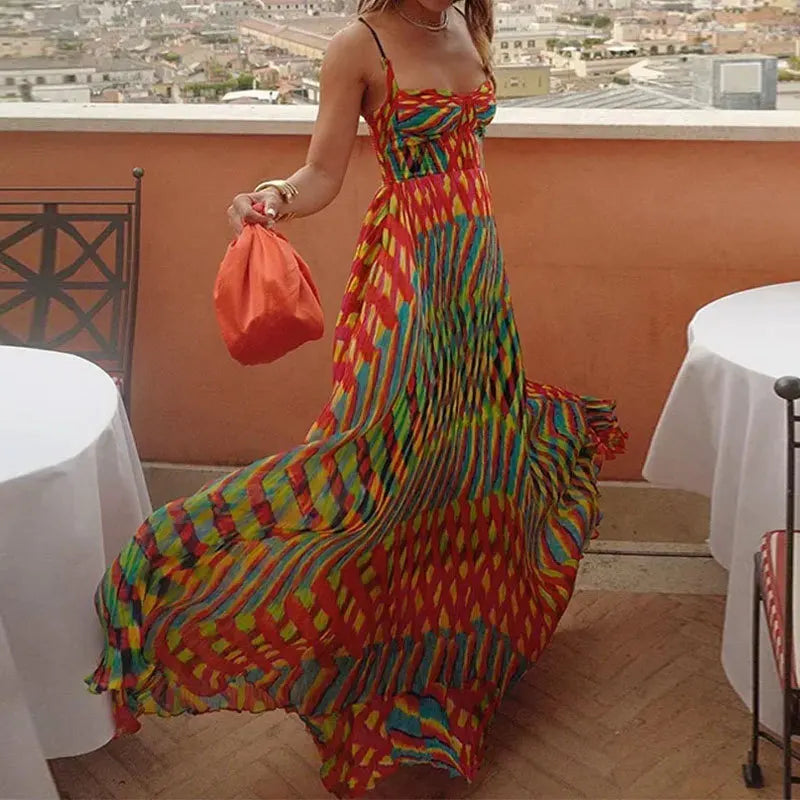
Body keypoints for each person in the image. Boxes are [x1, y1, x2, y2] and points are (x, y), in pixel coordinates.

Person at [87, 0, 626, 796]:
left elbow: (466, 151)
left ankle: (454, 643)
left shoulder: (467, 24)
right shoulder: (359, 44)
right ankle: (206, 582)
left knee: (473, 450)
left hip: (474, 266)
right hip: (407, 269)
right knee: (375, 461)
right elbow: (323, 171)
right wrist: (272, 196)